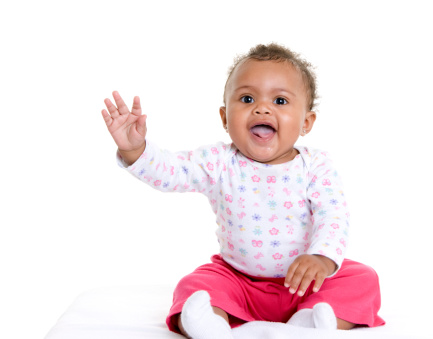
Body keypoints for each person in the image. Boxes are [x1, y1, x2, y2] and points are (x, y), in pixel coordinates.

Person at [101, 43, 384, 339]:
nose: (262, 108)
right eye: (247, 98)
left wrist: (322, 258)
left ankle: (310, 322)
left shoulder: (316, 166)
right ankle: (210, 324)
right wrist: (134, 148)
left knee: (362, 279)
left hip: (305, 283)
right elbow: (170, 172)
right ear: (225, 118)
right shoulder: (218, 162)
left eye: (280, 101)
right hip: (237, 280)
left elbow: (333, 216)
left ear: (306, 122)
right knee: (193, 285)